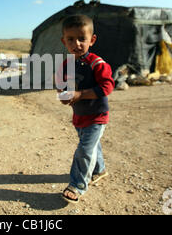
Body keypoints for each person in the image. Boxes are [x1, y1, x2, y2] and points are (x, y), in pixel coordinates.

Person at [56, 14, 115, 204]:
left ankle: (77, 185)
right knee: (91, 146)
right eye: (71, 39)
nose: (77, 43)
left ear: (92, 39)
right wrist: (63, 94)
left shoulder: (97, 64)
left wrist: (80, 95)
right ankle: (100, 170)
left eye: (82, 38)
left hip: (97, 116)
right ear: (64, 41)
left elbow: (107, 86)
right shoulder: (66, 65)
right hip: (80, 116)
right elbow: (62, 85)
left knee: (84, 150)